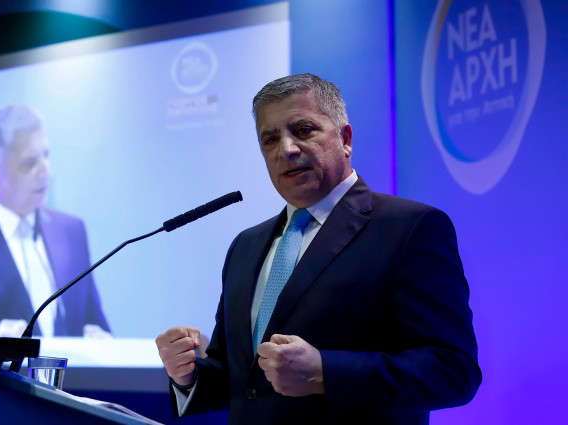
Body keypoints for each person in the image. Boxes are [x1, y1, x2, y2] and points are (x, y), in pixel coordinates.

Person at [155, 73, 481, 424]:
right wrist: (188, 375)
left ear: (345, 139)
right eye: (270, 139)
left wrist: (325, 372)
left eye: (303, 130)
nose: (286, 149)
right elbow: (244, 383)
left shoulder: (409, 228)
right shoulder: (245, 246)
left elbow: (454, 371)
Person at [0, 104, 111, 338]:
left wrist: (102, 341)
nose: (46, 172)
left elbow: (94, 321)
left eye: (46, 155)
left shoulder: (71, 231)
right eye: (30, 163)